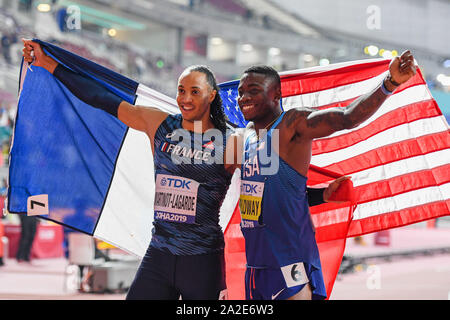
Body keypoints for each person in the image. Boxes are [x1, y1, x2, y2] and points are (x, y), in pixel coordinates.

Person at [21, 39, 348, 299]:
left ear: (211, 96)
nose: (185, 98)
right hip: (159, 254)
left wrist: (322, 194)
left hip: (202, 261)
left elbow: (268, 191)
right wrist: (49, 63)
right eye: (180, 90)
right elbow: (100, 97)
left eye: (195, 91)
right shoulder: (157, 124)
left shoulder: (232, 143)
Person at [236, 51, 416, 300]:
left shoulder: (292, 123)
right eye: (240, 91)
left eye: (253, 90)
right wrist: (323, 194)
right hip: (256, 265)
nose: (243, 97)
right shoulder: (245, 136)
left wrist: (389, 83)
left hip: (290, 263)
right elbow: (277, 194)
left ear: (276, 94)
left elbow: (346, 117)